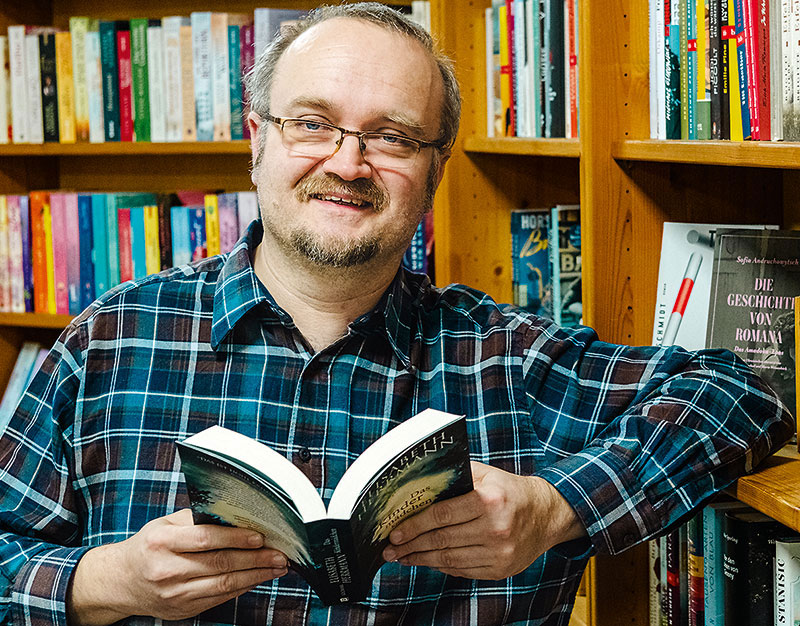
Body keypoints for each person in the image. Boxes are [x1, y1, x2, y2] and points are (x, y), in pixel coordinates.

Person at [0, 3, 792, 625]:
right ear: (257, 141)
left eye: (392, 137)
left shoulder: (508, 359)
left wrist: (557, 508)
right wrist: (105, 582)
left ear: (435, 169)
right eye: (312, 123)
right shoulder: (111, 338)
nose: (347, 162)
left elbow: (744, 397)